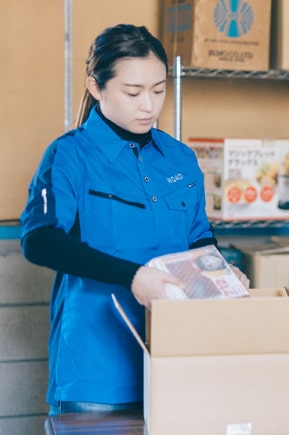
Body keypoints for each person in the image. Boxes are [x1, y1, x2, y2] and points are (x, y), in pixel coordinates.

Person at [19, 23, 248, 415]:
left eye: (159, 90)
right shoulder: (71, 155)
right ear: (96, 87)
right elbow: (40, 239)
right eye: (133, 92)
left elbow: (198, 237)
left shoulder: (180, 158)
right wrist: (134, 277)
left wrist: (220, 273)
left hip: (177, 360)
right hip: (95, 371)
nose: (149, 105)